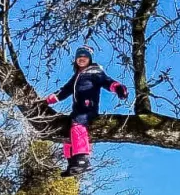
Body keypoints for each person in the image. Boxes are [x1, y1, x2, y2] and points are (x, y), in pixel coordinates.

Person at [43, 46, 128, 176]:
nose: (82, 59)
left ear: (90, 59)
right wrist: (48, 100)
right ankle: (72, 162)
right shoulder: (77, 76)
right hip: (77, 108)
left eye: (85, 57)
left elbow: (107, 81)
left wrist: (118, 88)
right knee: (66, 130)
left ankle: (82, 159)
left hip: (88, 107)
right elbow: (64, 90)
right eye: (79, 57)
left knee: (78, 123)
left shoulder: (95, 72)